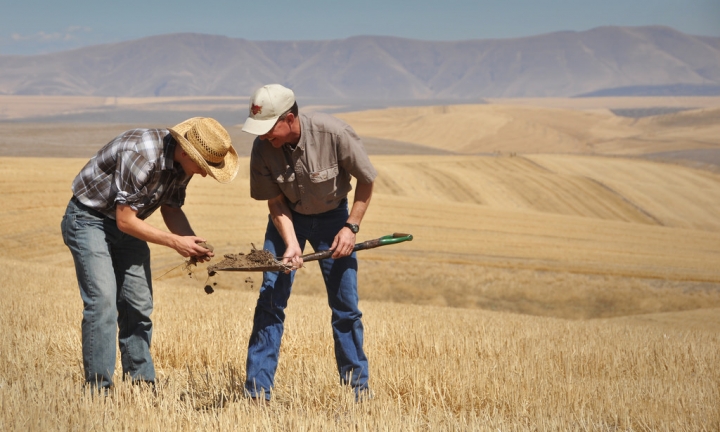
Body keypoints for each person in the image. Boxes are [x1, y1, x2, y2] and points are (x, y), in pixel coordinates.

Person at [61, 117, 239, 393]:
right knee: (103, 301)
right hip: (89, 220)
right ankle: (99, 390)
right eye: (203, 167)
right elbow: (125, 220)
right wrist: (174, 243)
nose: (204, 174)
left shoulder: (182, 166)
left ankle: (141, 384)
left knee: (138, 303)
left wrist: (191, 243)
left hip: (127, 226)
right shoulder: (142, 155)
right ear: (185, 151)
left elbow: (171, 208)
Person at [241, 84, 377, 401]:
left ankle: (358, 392)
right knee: (270, 301)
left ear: (289, 118)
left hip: (334, 219)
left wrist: (350, 228)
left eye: (268, 129)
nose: (263, 137)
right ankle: (256, 394)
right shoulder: (262, 148)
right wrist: (290, 244)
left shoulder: (335, 133)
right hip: (287, 218)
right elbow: (275, 203)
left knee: (345, 307)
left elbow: (367, 180)